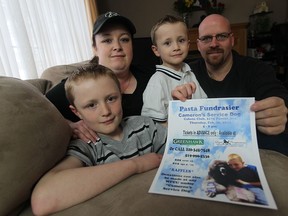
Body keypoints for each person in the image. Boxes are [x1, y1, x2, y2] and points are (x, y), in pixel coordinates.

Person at [31, 64, 167, 215]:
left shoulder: (145, 126)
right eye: (91, 105)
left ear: (120, 95)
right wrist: (136, 165)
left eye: (111, 99)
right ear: (77, 112)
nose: (105, 111)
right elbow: (43, 200)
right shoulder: (86, 145)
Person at [172, 14, 288, 155]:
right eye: (206, 38)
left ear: (232, 40)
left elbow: (276, 95)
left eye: (221, 36)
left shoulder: (257, 69)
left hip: (251, 151)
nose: (214, 44)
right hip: (201, 151)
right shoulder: (186, 73)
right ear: (198, 45)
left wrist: (279, 108)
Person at [45, 11, 154, 143]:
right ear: (95, 48)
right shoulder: (79, 84)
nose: (117, 47)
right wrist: (69, 125)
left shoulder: (153, 76)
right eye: (107, 40)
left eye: (124, 39)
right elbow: (39, 113)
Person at [141, 15, 207, 125]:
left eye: (181, 40)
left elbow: (204, 104)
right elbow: (152, 124)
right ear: (156, 50)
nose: (176, 47)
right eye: (167, 43)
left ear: (188, 44)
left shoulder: (190, 73)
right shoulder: (157, 81)